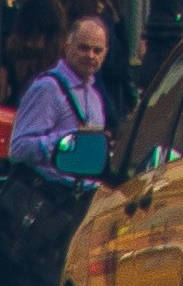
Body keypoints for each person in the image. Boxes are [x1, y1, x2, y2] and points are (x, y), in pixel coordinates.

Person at [9, 9, 113, 176]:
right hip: (49, 189)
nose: (91, 55)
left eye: (97, 50)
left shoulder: (95, 96)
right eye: (84, 48)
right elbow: (19, 149)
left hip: (84, 188)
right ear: (67, 46)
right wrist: (65, 142)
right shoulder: (47, 88)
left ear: (105, 53)